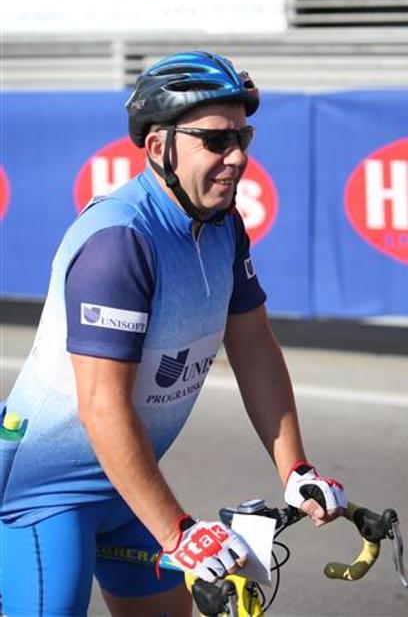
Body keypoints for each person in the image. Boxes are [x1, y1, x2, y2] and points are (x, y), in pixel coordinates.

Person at [1, 51, 347, 616]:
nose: (237, 156)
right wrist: (178, 532)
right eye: (215, 140)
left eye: (243, 137)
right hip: (48, 495)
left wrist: (295, 467)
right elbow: (102, 406)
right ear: (159, 146)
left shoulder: (223, 225)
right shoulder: (120, 242)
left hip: (128, 483)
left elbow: (253, 346)